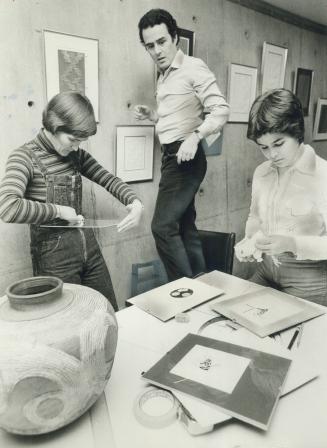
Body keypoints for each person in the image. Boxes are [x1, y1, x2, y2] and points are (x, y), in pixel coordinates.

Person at [0, 91, 144, 311]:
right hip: (54, 257)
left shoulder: (75, 155)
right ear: (54, 127)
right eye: (73, 140)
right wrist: (57, 210)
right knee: (68, 324)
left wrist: (134, 202)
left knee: (106, 314)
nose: (77, 147)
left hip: (89, 246)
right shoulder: (23, 157)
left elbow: (108, 179)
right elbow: (8, 207)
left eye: (81, 141)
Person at [134, 8, 229, 281]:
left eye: (161, 41)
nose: (156, 50)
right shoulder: (163, 76)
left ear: (175, 38)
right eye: (149, 45)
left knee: (162, 227)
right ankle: (202, 281)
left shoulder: (193, 67)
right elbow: (177, 118)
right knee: (185, 227)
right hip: (171, 156)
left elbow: (221, 109)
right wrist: (153, 116)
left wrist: (195, 136)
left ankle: (186, 291)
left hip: (185, 157)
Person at [235, 88, 327, 305]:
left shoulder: (323, 175)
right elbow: (255, 219)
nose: (272, 155)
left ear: (296, 132)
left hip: (311, 282)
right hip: (267, 271)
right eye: (263, 148)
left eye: (278, 144)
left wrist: (291, 243)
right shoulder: (262, 172)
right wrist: (250, 242)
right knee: (234, 316)